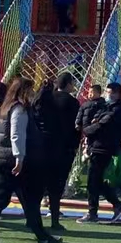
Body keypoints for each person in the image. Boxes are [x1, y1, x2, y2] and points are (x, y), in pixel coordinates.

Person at [0, 78, 58, 243]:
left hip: (2, 158)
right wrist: (19, 158)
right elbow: (17, 134)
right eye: (30, 90)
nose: (32, 93)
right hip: (15, 161)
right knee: (21, 199)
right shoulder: (20, 109)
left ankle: (42, 237)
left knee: (5, 199)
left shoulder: (4, 108)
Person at [76, 81, 121, 223]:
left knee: (93, 180)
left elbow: (101, 124)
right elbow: (97, 118)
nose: (107, 95)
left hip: (104, 147)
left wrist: (87, 130)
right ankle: (116, 204)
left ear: (117, 94)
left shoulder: (116, 110)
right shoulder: (107, 107)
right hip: (98, 146)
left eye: (110, 92)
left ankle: (94, 212)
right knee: (95, 180)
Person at [36, 73, 81, 231]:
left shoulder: (46, 98)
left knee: (39, 183)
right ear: (68, 84)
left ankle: (34, 218)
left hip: (43, 145)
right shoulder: (73, 102)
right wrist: (75, 145)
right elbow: (76, 127)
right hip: (63, 147)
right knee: (57, 184)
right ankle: (54, 217)